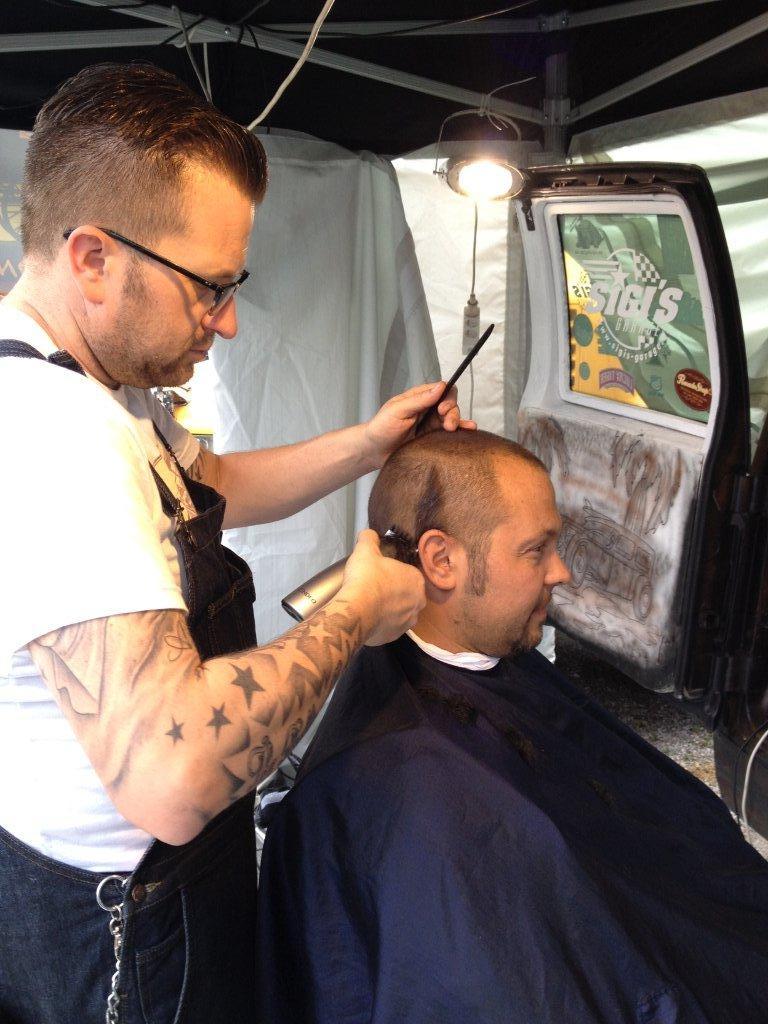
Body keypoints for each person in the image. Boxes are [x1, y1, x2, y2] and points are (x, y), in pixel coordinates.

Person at [0, 63, 472, 1024]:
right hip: (128, 924)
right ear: (92, 258)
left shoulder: (97, 386)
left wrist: (370, 442)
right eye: (207, 287)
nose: (228, 319)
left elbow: (208, 486)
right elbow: (172, 779)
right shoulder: (57, 440)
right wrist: (353, 613)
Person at [256, 429, 768, 1024]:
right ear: (441, 561)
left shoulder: (487, 666)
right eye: (536, 550)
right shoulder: (423, 799)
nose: (561, 572)